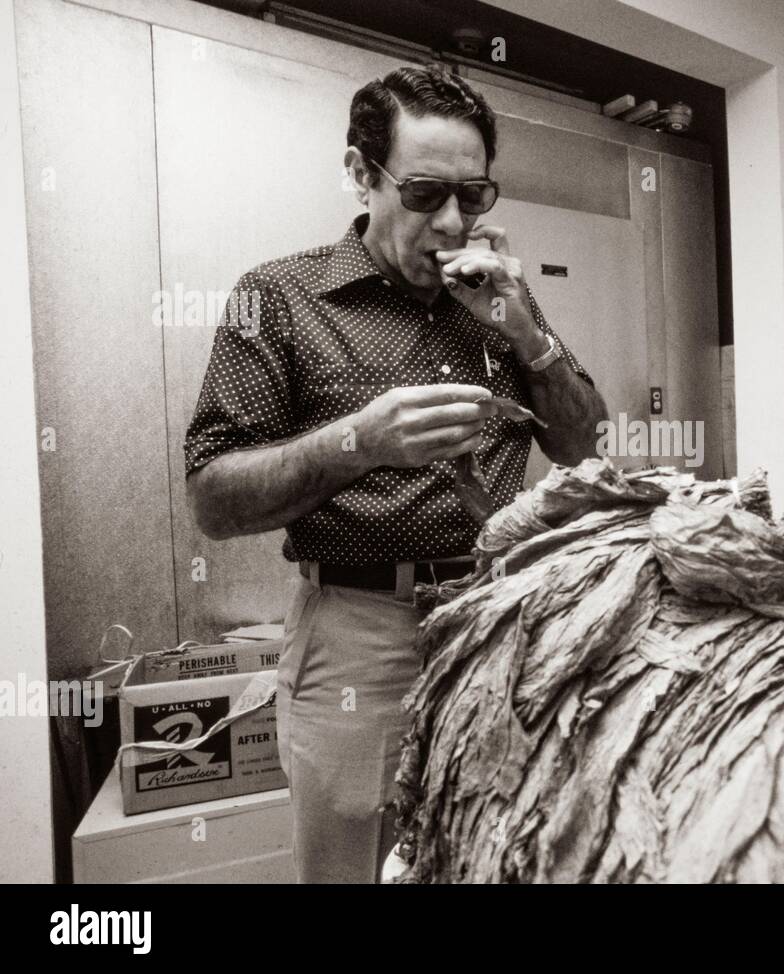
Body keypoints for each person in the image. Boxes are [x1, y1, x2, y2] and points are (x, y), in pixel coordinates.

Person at [184, 65, 607, 882]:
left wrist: (526, 334)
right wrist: (359, 442)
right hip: (358, 635)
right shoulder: (279, 297)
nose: (452, 222)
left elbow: (585, 446)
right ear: (359, 173)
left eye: (475, 196)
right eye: (423, 195)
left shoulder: (497, 293)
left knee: (495, 850)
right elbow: (213, 498)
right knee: (355, 863)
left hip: (498, 620)